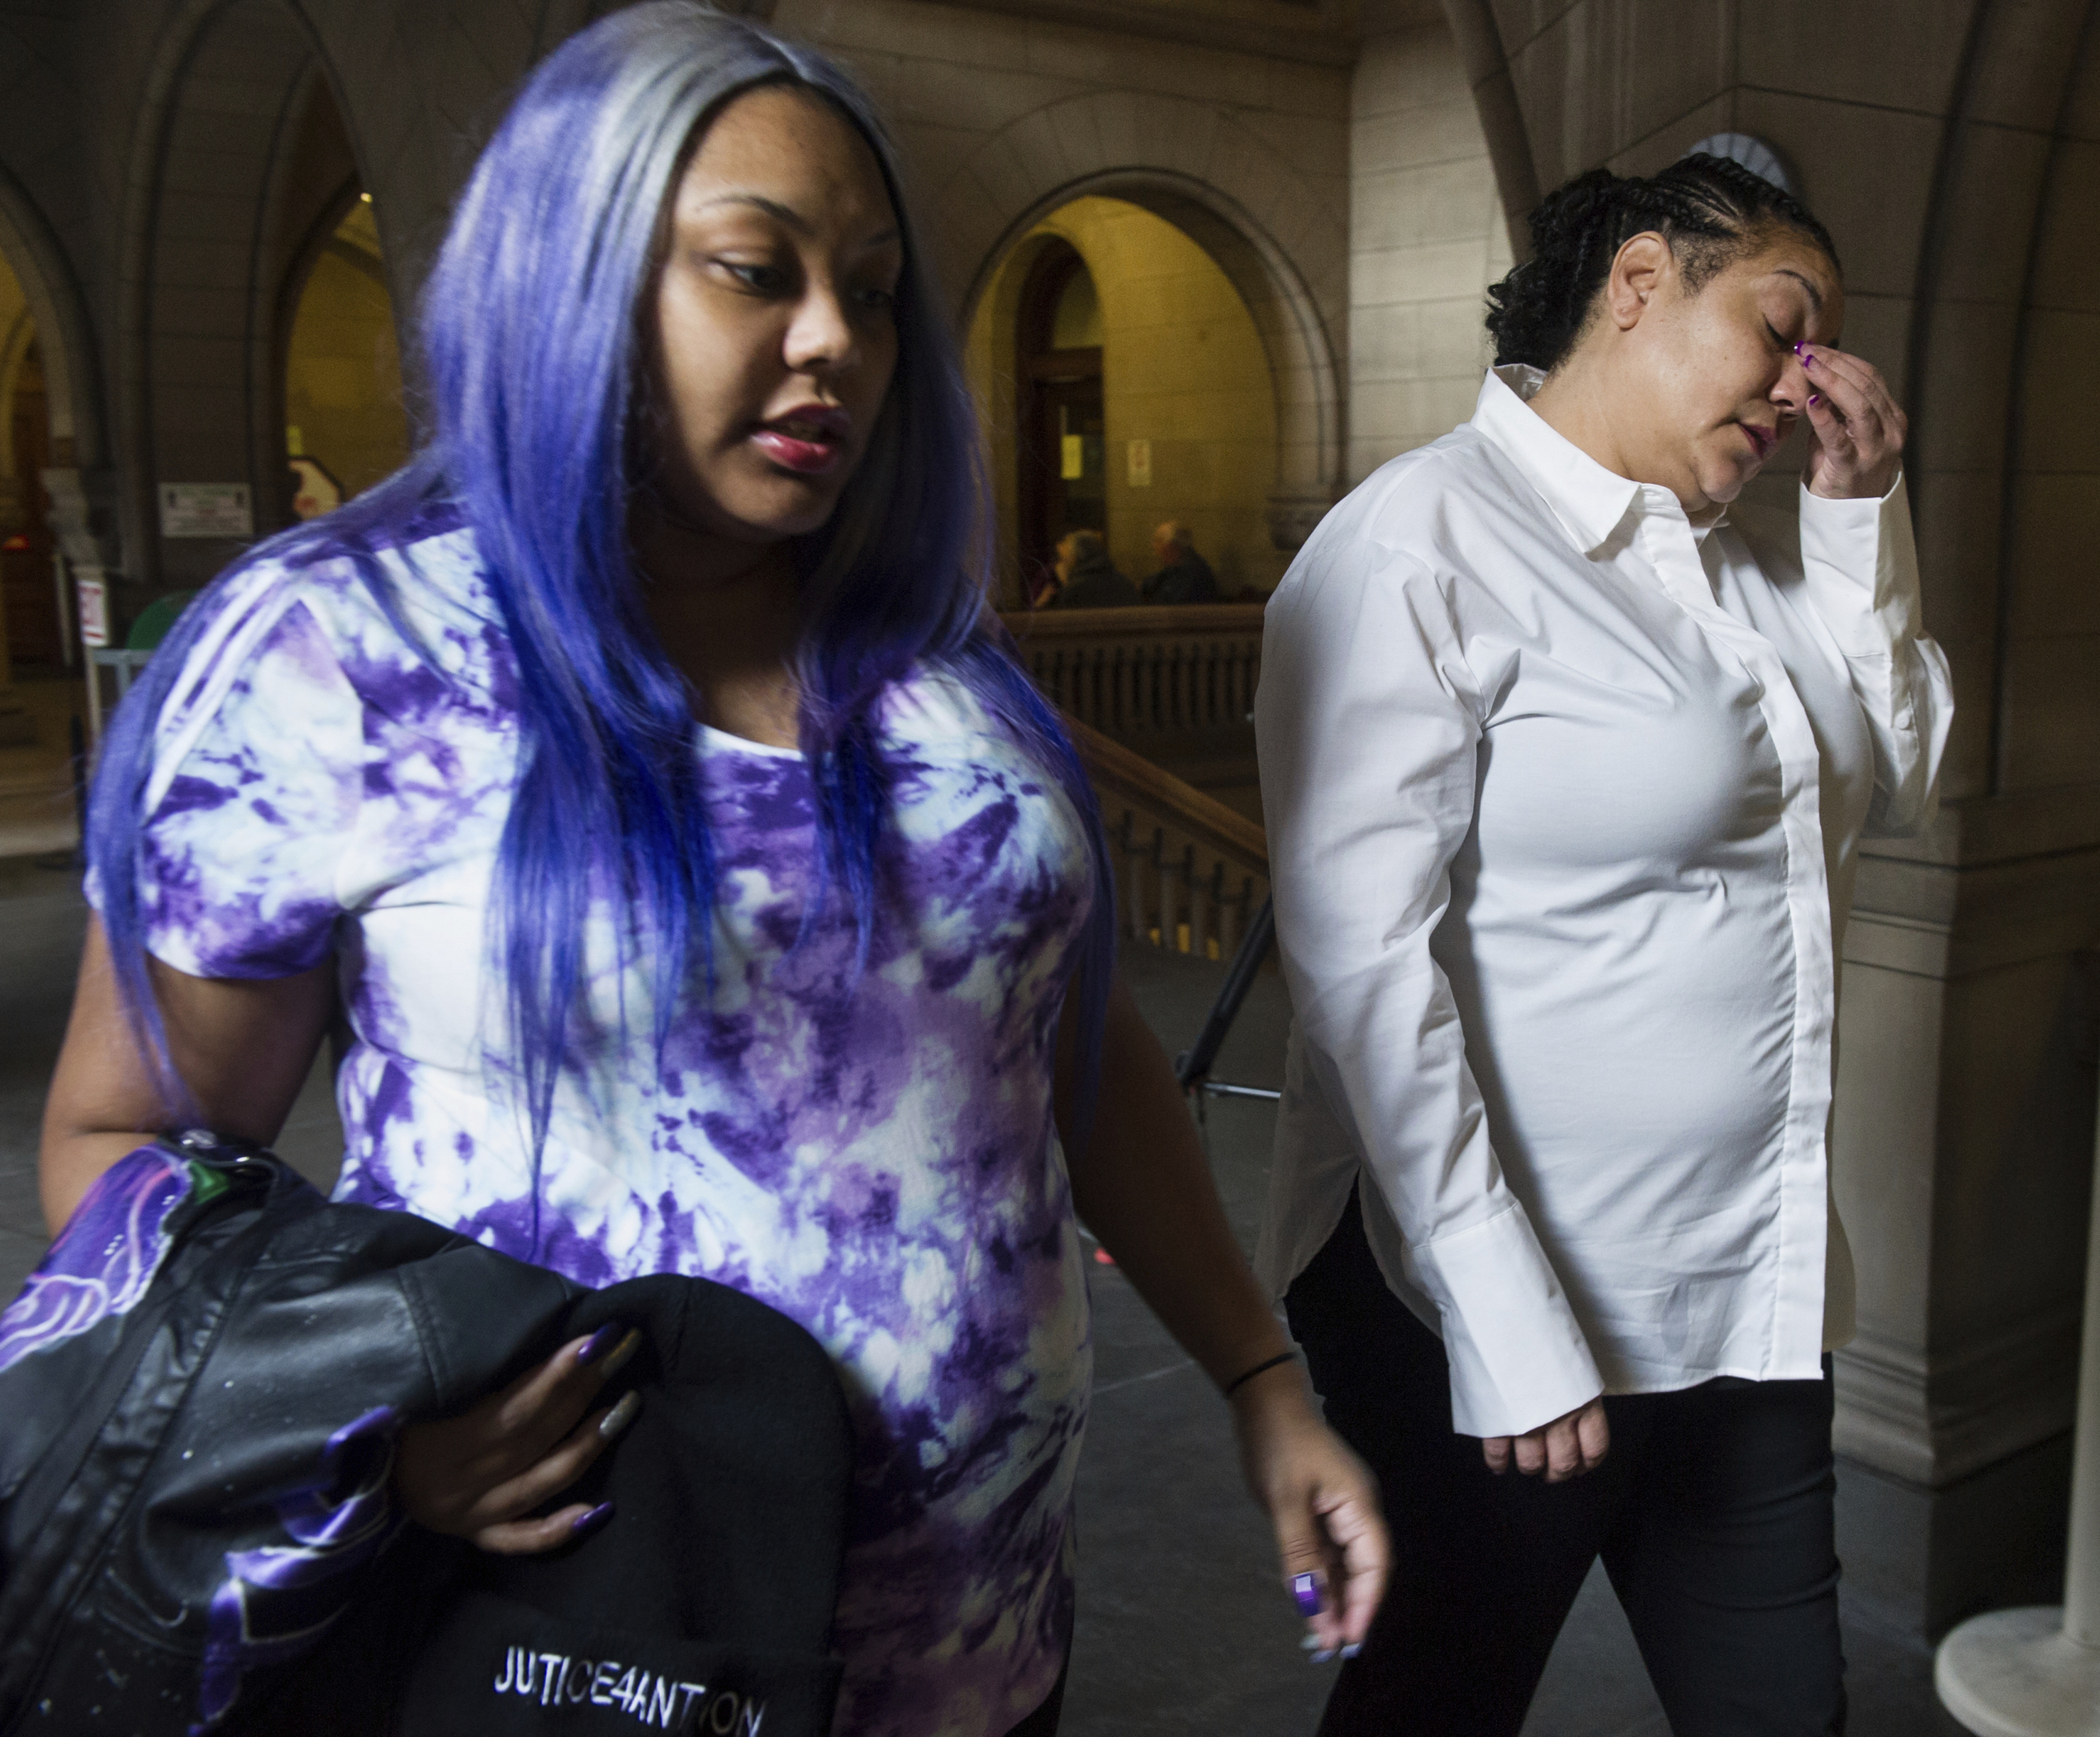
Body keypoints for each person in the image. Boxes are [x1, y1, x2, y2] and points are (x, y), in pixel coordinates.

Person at [36, 9, 1385, 1735]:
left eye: (878, 289)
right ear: (572, 274)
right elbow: (124, 1142)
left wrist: (1261, 1378)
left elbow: (1064, 1046)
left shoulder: (935, 669)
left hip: (974, 1640)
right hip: (583, 1642)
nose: (836, 338)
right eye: (756, 270)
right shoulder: (345, 655)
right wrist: (363, 1415)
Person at [1254, 155, 1952, 1736]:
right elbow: (1361, 967)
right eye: (1779, 329)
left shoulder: (1750, 566)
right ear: (1637, 285)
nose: (1799, 388)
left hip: (1747, 1295)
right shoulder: (1418, 541)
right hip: (1490, 1312)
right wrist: (1503, 1317)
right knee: (1432, 1708)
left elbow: (1899, 782)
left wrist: (1855, 531)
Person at [1044, 527, 1138, 608]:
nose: (1063, 563)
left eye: (1066, 557)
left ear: (1075, 558)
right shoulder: (1125, 584)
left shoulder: (1075, 591)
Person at [1141, 521, 1219, 604]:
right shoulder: (1175, 567)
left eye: (1158, 541)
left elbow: (1172, 605)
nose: (1155, 547)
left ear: (1170, 546)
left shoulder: (1194, 573)